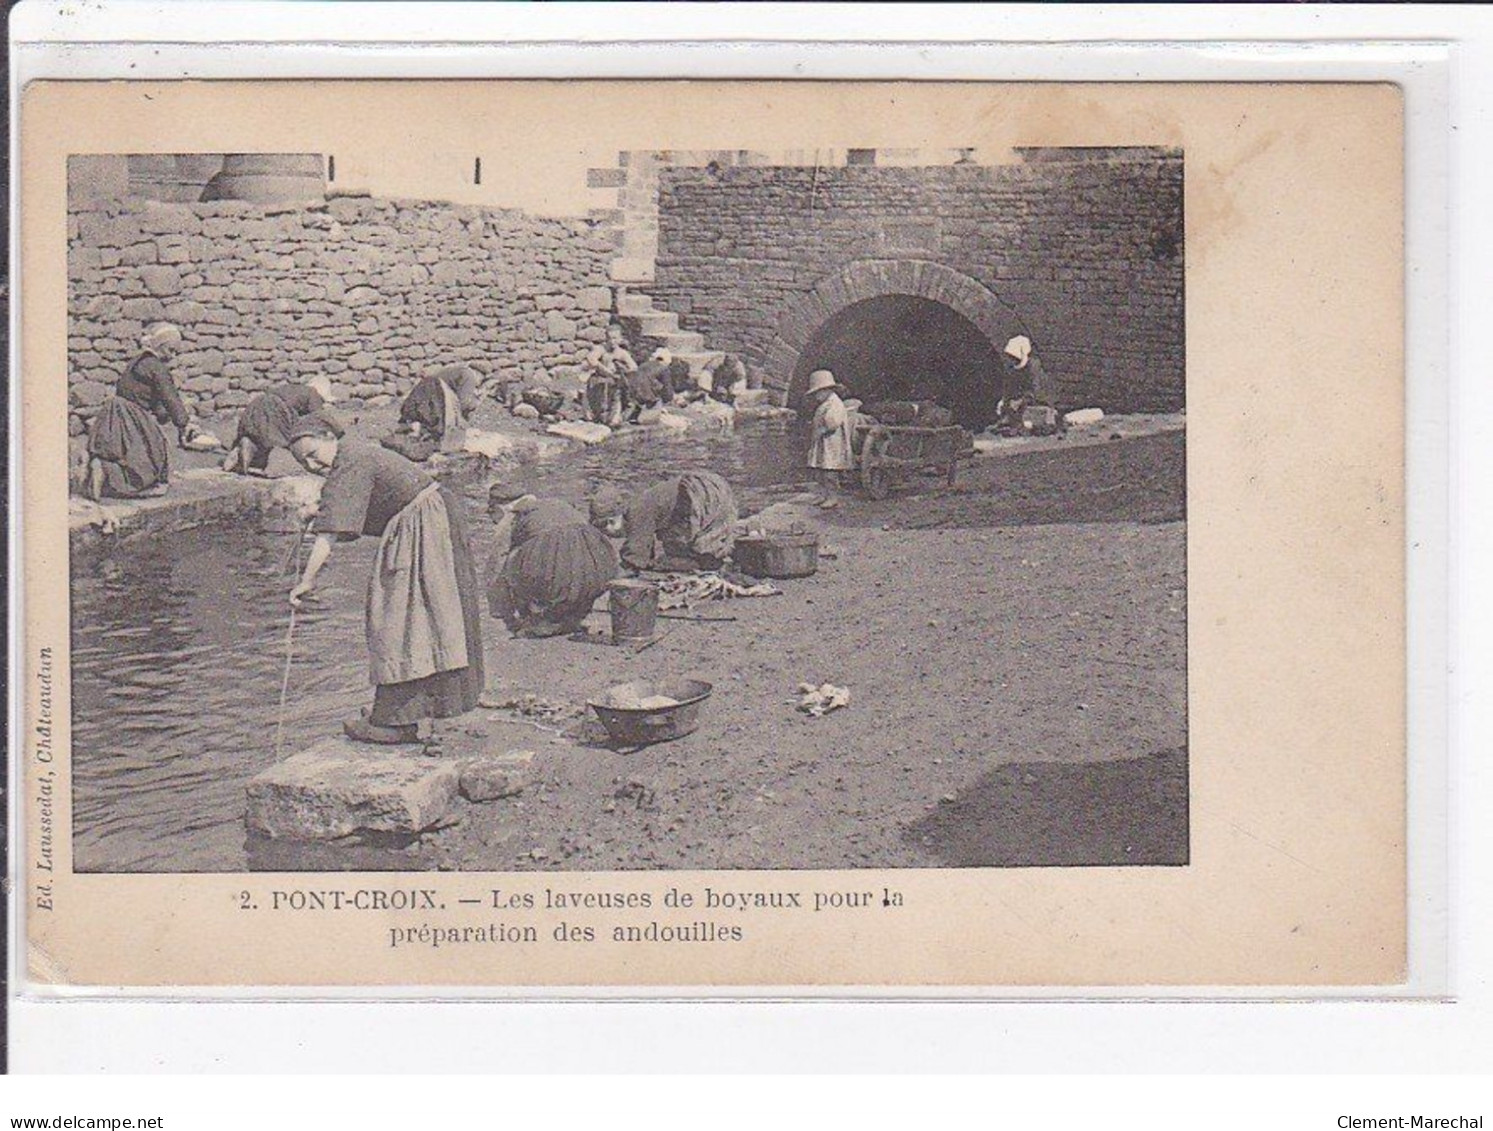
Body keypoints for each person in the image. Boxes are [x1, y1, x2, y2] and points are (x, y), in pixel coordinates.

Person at [286, 415, 484, 745]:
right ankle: (405, 711)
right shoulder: (352, 455)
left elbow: (331, 533)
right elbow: (347, 503)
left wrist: (307, 580)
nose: (310, 464)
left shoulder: (353, 459)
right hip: (428, 521)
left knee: (399, 620)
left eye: (312, 453)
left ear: (328, 436)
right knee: (421, 620)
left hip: (425, 527)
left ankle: (395, 721)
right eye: (302, 462)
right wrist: (318, 512)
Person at [85, 322, 205, 500]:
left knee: (120, 453)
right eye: (171, 350)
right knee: (151, 457)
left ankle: (102, 470)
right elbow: (170, 398)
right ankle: (108, 471)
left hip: (113, 413)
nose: (173, 356)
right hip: (133, 415)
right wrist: (184, 423)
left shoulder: (137, 361)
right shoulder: (157, 367)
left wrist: (163, 416)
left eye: (176, 352)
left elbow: (151, 398)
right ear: (160, 346)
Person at [486, 487, 619, 639]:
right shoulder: (556, 503)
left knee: (513, 560)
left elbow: (496, 564)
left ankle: (540, 621)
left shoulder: (513, 515)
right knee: (572, 563)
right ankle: (571, 618)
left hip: (559, 565)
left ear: (500, 508)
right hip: (600, 566)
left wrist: (502, 613)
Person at [589, 471, 739, 573]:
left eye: (605, 529)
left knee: (680, 554)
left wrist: (617, 571)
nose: (611, 535)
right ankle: (709, 559)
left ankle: (707, 560)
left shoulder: (637, 510)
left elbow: (635, 552)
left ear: (611, 521)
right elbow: (646, 540)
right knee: (676, 547)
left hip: (701, 493)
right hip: (704, 487)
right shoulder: (640, 503)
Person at [222, 375, 341, 476]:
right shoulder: (313, 393)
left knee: (259, 438)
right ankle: (315, 466)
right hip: (276, 409)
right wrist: (339, 432)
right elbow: (321, 416)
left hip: (256, 405)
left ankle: (246, 448)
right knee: (290, 440)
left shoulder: (292, 388)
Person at [391, 364, 481, 456]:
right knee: (442, 433)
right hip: (435, 397)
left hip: (424, 395)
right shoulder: (469, 376)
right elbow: (463, 402)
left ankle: (411, 433)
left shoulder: (454, 371)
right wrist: (473, 405)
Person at [804, 369, 855, 509]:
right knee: (819, 470)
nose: (816, 396)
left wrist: (822, 429)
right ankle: (823, 494)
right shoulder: (824, 404)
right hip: (822, 443)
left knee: (829, 472)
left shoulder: (835, 404)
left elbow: (833, 423)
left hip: (832, 443)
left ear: (827, 390)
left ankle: (833, 496)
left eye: (818, 392)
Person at [995, 335, 1057, 433]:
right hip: (1018, 403)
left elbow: (1036, 391)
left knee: (1031, 420)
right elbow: (1008, 387)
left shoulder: (1033, 367)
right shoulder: (1011, 368)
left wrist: (1020, 401)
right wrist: (1003, 401)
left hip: (1036, 402)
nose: (1011, 359)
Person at [584, 325, 636, 426]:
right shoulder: (601, 349)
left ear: (620, 339)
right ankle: (596, 416)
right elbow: (591, 359)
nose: (612, 341)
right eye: (610, 338)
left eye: (615, 338)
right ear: (606, 338)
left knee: (615, 410)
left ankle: (614, 419)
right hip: (599, 382)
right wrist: (606, 371)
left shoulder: (622, 353)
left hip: (614, 385)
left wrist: (623, 369)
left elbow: (634, 367)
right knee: (595, 412)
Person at [622, 347, 672, 422]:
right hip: (649, 398)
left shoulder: (643, 365)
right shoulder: (664, 369)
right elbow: (667, 390)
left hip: (634, 395)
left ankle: (632, 415)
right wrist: (667, 399)